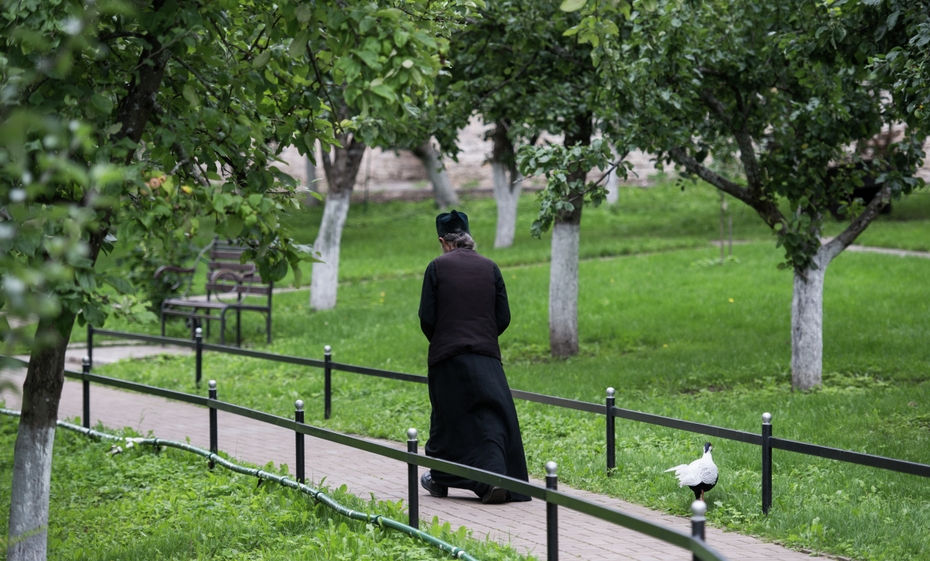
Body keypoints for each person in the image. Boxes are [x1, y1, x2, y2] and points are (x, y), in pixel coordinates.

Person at [417, 210, 531, 504]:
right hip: (487, 357)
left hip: (447, 356)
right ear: (468, 238)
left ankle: (442, 478)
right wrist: (483, 337)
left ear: (443, 241)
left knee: (449, 420)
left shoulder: (437, 267)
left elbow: (426, 317)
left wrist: (445, 339)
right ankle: (496, 476)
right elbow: (502, 317)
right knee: (491, 417)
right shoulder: (490, 267)